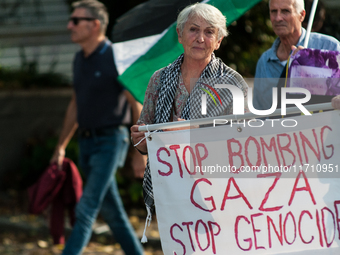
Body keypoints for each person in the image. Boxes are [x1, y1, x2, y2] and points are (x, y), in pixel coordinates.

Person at [130, 3, 248, 220]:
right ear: (180, 34)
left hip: (217, 193)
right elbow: (145, 139)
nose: (200, 38)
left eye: (209, 32)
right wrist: (139, 139)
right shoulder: (159, 79)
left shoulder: (232, 83)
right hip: (170, 189)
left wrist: (193, 134)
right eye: (193, 29)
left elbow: (241, 144)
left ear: (219, 41)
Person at [50, 0, 145, 254]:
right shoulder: (80, 59)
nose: (70, 25)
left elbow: (135, 104)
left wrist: (139, 152)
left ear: (94, 25)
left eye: (75, 21)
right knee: (112, 213)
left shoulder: (116, 56)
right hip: (87, 142)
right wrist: (61, 146)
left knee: (86, 207)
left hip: (112, 141)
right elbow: (75, 105)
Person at [253, 0, 340, 111]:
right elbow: (259, 114)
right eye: (274, 11)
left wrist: (313, 64)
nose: (278, 18)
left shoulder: (329, 46)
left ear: (302, 15)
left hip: (323, 127)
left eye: (285, 11)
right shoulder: (264, 62)